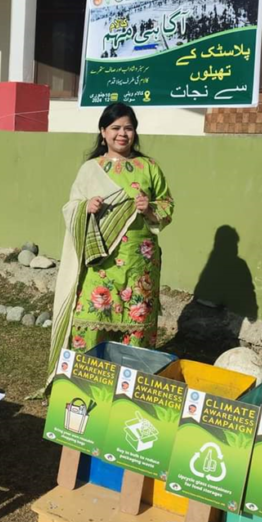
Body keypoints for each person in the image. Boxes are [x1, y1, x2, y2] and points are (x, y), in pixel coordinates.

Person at [47, 103, 174, 385]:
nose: (122, 134)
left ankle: (131, 388)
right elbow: (71, 207)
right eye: (115, 128)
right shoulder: (91, 169)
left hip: (139, 262)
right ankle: (85, 384)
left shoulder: (149, 167)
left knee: (136, 322)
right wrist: (86, 207)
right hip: (100, 262)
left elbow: (167, 205)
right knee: (91, 318)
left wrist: (149, 207)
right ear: (103, 132)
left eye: (128, 128)